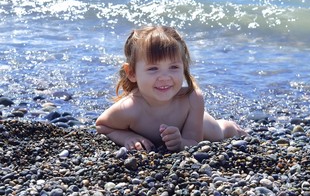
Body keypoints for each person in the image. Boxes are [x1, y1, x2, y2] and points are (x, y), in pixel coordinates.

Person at [96, 26, 248, 152]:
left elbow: (195, 142)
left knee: (220, 132)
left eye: (174, 67)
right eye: (153, 69)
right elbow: (102, 125)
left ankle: (232, 126)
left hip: (204, 126)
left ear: (184, 66)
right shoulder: (130, 108)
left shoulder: (191, 99)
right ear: (132, 73)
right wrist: (127, 137)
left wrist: (181, 142)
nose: (165, 77)